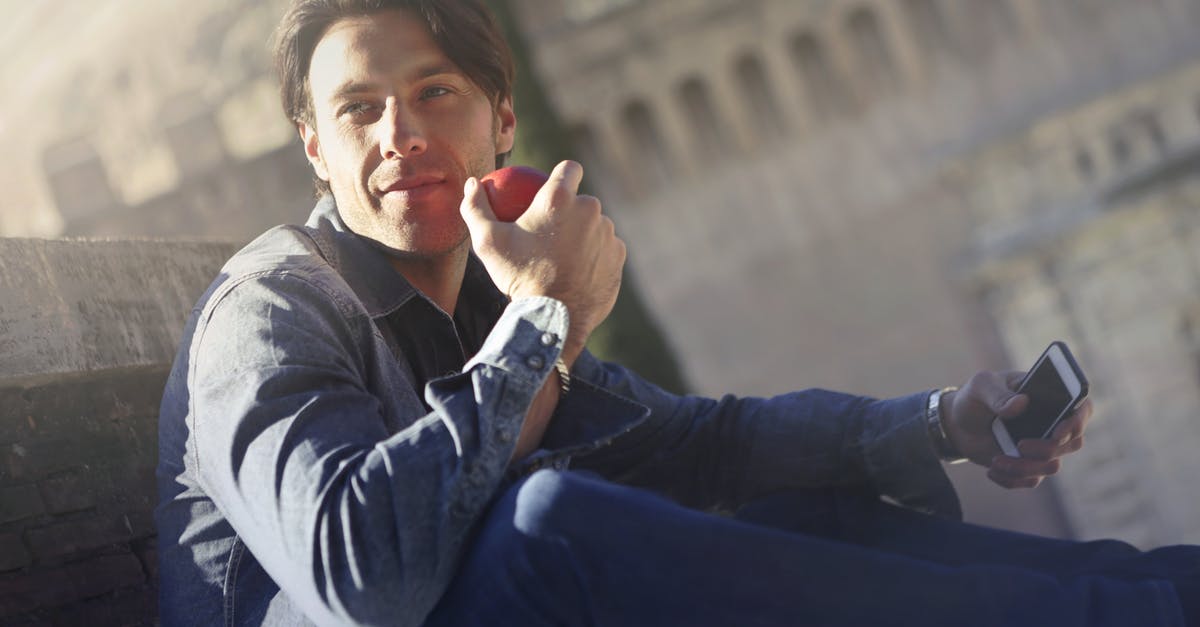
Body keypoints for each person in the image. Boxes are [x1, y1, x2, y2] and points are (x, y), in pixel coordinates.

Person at [154, 1, 1198, 625]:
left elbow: (697, 448)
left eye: (435, 94)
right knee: (548, 524)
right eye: (359, 110)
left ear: (501, 123)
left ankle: (1147, 596)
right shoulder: (272, 308)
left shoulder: (479, 295)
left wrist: (937, 425)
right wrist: (544, 322)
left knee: (799, 508)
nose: (400, 135)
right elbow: (358, 573)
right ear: (314, 150)